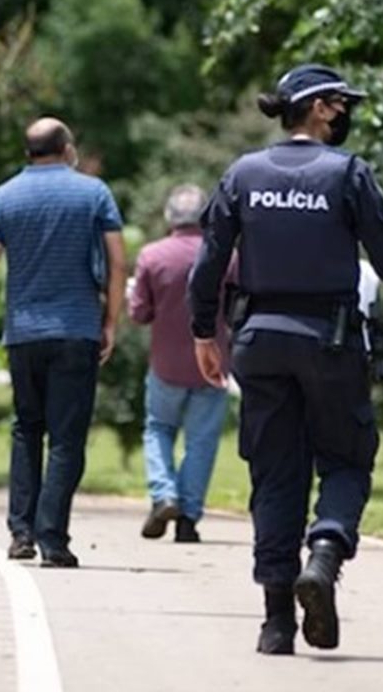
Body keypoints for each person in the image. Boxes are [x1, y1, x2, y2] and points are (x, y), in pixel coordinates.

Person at [189, 64, 383, 655]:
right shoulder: (348, 174)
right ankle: (325, 553)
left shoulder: (243, 173)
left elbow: (208, 265)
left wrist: (201, 333)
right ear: (321, 108)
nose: (346, 115)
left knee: (274, 474)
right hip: (330, 341)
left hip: (258, 341)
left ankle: (275, 624)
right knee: (345, 458)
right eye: (342, 105)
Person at [0, 117, 125, 568]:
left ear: (28, 152)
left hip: (23, 333)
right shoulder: (94, 193)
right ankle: (52, 538)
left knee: (26, 428)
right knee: (67, 439)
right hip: (76, 330)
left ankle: (21, 533)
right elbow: (117, 263)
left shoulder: (2, 197)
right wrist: (110, 321)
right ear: (67, 148)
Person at [128, 184, 232, 544]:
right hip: (213, 365)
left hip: (165, 365)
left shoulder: (152, 256)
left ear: (170, 216)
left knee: (158, 429)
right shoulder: (227, 257)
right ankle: (188, 518)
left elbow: (139, 313)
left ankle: (163, 494)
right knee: (201, 442)